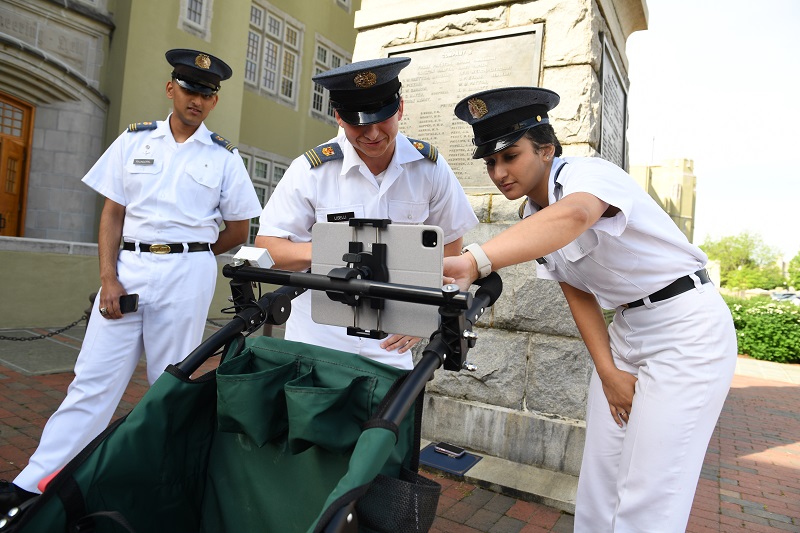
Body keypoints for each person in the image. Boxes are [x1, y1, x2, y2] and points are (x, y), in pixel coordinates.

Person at [445, 87, 737, 532]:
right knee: (599, 484)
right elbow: (576, 292)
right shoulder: (531, 218)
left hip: (686, 329)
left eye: (510, 156)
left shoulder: (590, 175)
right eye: (490, 162)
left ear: (547, 150)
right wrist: (608, 371)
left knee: (650, 493)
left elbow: (577, 215)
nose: (499, 172)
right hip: (626, 332)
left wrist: (475, 260)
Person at [0, 48, 262, 512]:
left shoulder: (224, 157)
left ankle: (162, 487)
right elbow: (112, 213)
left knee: (171, 382)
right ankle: (33, 483)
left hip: (187, 276)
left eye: (206, 94)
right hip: (128, 270)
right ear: (170, 89)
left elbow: (239, 230)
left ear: (214, 101)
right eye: (188, 89)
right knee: (93, 379)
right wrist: (108, 278)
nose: (196, 100)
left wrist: (194, 255)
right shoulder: (133, 141)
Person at [254, 57, 477, 370]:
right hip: (318, 339)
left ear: (400, 108)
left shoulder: (430, 169)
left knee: (389, 418)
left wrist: (421, 314)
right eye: (359, 122)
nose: (372, 134)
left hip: (392, 343)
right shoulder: (311, 171)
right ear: (339, 117)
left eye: (382, 118)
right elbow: (268, 248)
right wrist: (331, 250)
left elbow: (449, 251)